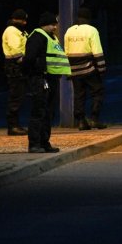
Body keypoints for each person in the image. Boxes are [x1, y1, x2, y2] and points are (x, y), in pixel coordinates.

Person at [22, 12, 71, 153]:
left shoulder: (52, 37)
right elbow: (29, 59)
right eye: (52, 24)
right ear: (45, 24)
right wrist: (34, 74)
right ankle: (34, 144)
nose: (55, 27)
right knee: (39, 111)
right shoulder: (37, 36)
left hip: (51, 78)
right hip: (40, 78)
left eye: (55, 24)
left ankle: (44, 142)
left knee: (48, 112)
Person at [64, 7, 107, 130]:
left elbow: (66, 51)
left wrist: (68, 70)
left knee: (79, 95)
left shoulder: (69, 31)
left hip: (74, 69)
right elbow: (97, 51)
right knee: (97, 92)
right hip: (89, 68)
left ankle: (81, 121)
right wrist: (102, 68)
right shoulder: (92, 30)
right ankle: (94, 118)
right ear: (88, 18)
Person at [1, 9, 29, 135]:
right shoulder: (12, 31)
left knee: (19, 95)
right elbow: (16, 50)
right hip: (15, 65)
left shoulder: (18, 30)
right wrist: (24, 61)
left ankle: (15, 125)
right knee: (16, 95)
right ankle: (13, 126)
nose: (25, 22)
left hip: (18, 65)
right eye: (23, 20)